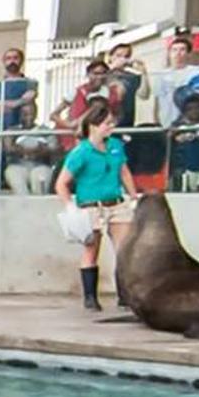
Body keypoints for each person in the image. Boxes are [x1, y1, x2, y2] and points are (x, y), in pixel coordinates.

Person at [56, 103, 138, 311]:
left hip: (115, 203)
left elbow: (124, 172)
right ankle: (91, 297)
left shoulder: (115, 146)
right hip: (91, 206)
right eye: (106, 123)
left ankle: (125, 294)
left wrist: (133, 196)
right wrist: (70, 206)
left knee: (124, 249)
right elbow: (62, 182)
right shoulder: (81, 152)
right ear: (93, 125)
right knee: (91, 250)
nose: (110, 127)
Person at [2, 102, 60, 195]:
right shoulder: (13, 130)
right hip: (17, 166)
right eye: (25, 114)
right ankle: (23, 207)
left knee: (39, 185)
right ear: (20, 115)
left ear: (36, 114)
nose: (28, 117)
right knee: (19, 186)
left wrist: (22, 150)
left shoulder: (44, 130)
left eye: (31, 114)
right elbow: (8, 148)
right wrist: (35, 150)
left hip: (40, 165)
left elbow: (54, 148)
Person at [53, 59, 125, 132]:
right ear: (88, 74)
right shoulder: (78, 91)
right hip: (75, 136)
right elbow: (54, 115)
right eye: (96, 73)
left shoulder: (112, 93)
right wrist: (70, 125)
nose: (99, 77)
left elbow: (118, 114)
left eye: (103, 73)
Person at [0, 47, 39, 132]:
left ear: (21, 61)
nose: (12, 61)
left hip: (22, 129)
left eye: (15, 58)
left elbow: (29, 99)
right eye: (8, 58)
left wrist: (7, 104)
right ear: (4, 62)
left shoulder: (30, 83)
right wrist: (20, 102)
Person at [151, 35, 197, 127]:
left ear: (189, 53)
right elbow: (157, 101)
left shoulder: (195, 72)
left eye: (182, 49)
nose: (178, 53)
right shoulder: (161, 75)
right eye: (174, 50)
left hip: (189, 123)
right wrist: (156, 121)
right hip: (166, 123)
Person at [106, 43, 148, 129]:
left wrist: (144, 73)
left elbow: (144, 95)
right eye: (118, 55)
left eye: (126, 56)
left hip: (127, 123)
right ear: (110, 57)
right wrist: (112, 67)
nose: (122, 59)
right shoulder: (105, 74)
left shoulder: (132, 77)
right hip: (106, 123)